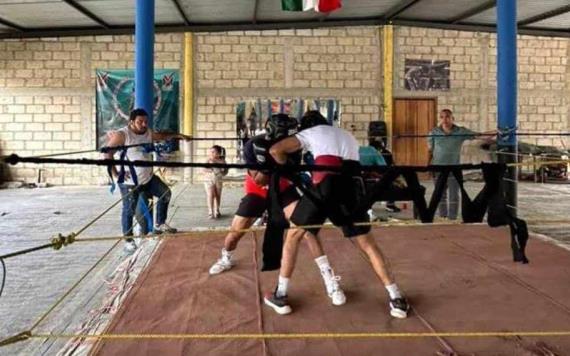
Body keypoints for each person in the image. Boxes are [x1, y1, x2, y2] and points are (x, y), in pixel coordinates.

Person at [265, 111, 409, 319]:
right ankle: (397, 298)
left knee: (293, 237)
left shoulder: (311, 132)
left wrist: (288, 169)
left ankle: (280, 294)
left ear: (307, 126)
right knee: (368, 245)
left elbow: (276, 150)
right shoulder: (346, 135)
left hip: (325, 187)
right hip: (352, 190)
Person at [208, 114, 346, 308]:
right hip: (258, 192)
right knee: (235, 233)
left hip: (283, 190)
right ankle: (226, 257)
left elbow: (294, 171)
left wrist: (283, 160)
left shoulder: (293, 146)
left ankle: (329, 279)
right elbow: (258, 180)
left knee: (306, 229)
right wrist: (271, 161)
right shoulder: (253, 145)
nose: (287, 138)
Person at [104, 108, 191, 254]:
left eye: (145, 121)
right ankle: (128, 240)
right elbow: (107, 154)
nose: (143, 124)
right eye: (140, 122)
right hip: (130, 182)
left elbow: (162, 135)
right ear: (131, 122)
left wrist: (181, 135)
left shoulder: (148, 132)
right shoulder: (122, 135)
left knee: (165, 194)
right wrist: (115, 173)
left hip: (148, 178)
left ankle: (160, 223)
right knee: (129, 210)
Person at [428, 109, 495, 220]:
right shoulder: (434, 132)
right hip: (438, 167)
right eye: (442, 117)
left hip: (454, 168)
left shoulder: (460, 131)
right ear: (440, 119)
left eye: (447, 117)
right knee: (440, 194)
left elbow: (478, 135)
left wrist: (496, 132)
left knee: (454, 194)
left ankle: (452, 218)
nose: (445, 120)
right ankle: (442, 217)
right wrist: (429, 165)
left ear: (452, 118)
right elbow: (430, 150)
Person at [203, 145, 228, 219]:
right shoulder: (208, 160)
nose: (211, 153)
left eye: (213, 152)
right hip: (208, 179)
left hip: (218, 179)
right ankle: (210, 212)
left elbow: (226, 171)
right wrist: (209, 170)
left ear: (218, 153)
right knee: (210, 195)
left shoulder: (222, 161)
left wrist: (222, 172)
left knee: (217, 195)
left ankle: (217, 210)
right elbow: (203, 169)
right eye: (211, 152)